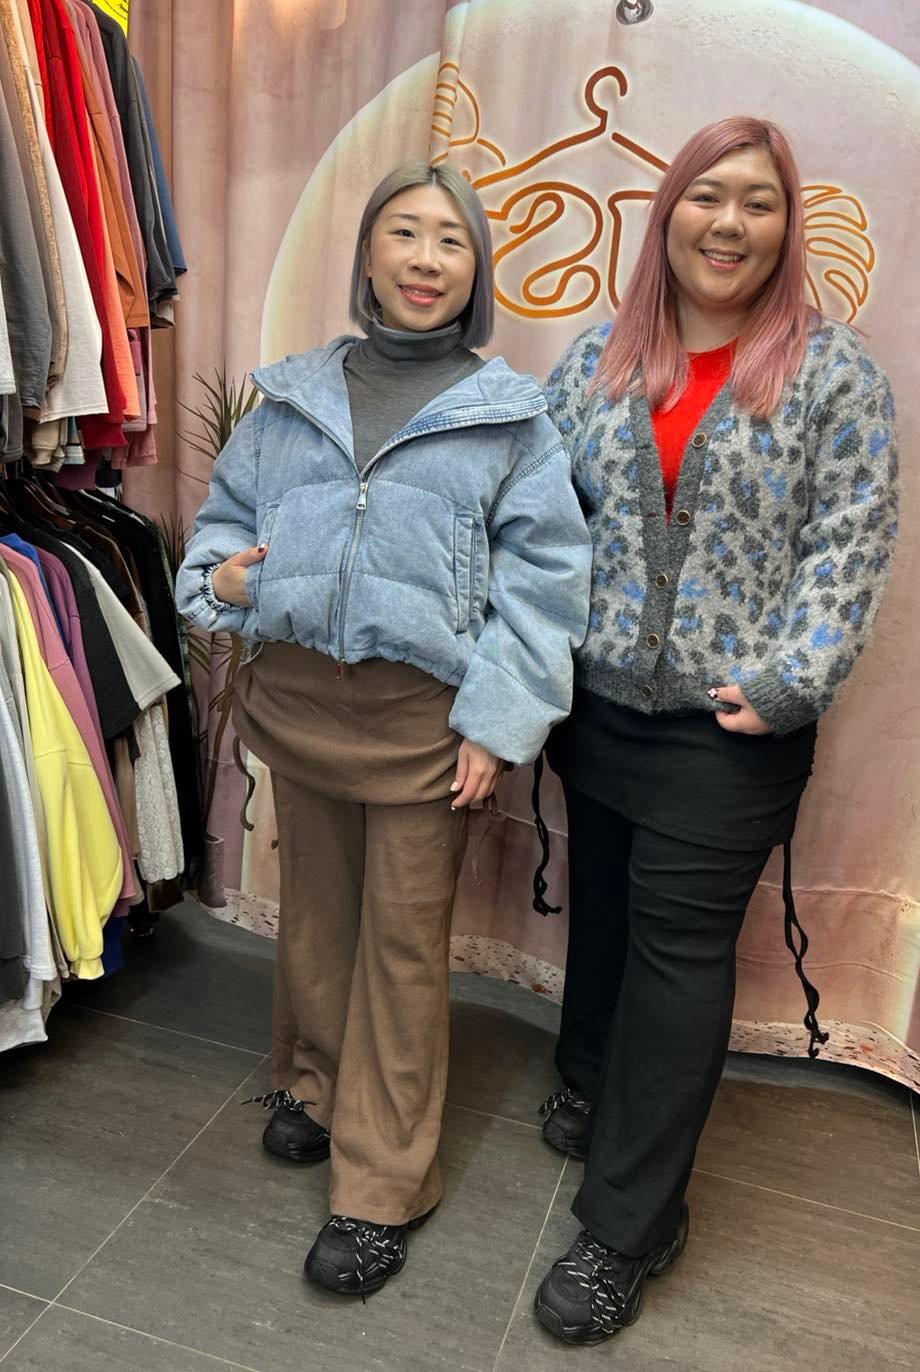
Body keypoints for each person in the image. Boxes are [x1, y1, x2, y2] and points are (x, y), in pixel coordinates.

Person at [175, 161, 592, 1297]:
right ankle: (314, 1088)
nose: (424, 259)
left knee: (402, 953)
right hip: (301, 705)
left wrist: (495, 724)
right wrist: (229, 577)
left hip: (426, 726)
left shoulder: (511, 417)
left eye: (450, 241)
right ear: (367, 252)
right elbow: (222, 528)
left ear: (475, 271)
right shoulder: (292, 396)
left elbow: (545, 588)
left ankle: (382, 1184)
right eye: (403, 232)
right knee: (315, 924)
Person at [531, 117, 901, 1345]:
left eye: (758, 201)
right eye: (707, 196)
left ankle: (630, 1223)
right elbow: (537, 518)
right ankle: (592, 1077)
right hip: (595, 705)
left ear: (788, 226)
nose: (729, 223)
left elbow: (850, 542)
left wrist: (791, 680)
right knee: (606, 904)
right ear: (669, 213)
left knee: (680, 951)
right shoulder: (594, 359)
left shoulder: (833, 375)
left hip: (730, 729)